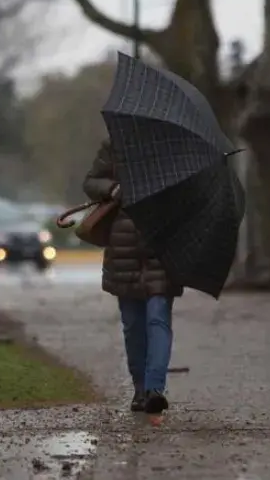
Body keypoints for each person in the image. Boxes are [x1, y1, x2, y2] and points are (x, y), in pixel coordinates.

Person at [82, 138, 182, 416]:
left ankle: (154, 389)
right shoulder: (115, 145)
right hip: (124, 249)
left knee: (158, 317)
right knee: (133, 326)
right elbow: (91, 182)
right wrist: (113, 188)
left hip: (161, 248)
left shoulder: (175, 150)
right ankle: (140, 389)